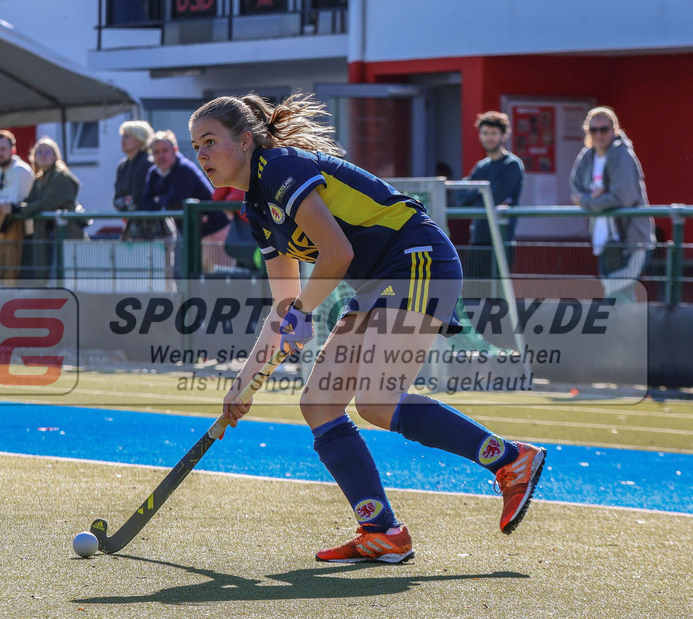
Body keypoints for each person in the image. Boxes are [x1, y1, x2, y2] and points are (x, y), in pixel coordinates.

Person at [189, 92, 546, 563]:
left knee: (377, 400)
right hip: (380, 280)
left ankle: (510, 460)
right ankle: (381, 530)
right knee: (318, 402)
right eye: (196, 147)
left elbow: (337, 254)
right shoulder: (258, 211)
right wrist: (245, 383)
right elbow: (284, 307)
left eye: (210, 142)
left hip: (417, 258)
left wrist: (302, 311)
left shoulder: (279, 170)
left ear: (246, 140)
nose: (202, 156)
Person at [569, 106, 655, 301]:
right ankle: (625, 331)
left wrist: (590, 201)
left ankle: (629, 331)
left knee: (617, 294)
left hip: (632, 241)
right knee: (616, 296)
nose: (599, 135)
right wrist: (597, 197)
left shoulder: (622, 155)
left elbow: (623, 198)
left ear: (614, 129)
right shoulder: (587, 156)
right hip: (604, 241)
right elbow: (576, 189)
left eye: (604, 129)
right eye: (594, 130)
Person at [140, 129, 227, 275]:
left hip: (214, 230)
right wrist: (164, 201)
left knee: (220, 275)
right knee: (197, 277)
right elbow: (146, 202)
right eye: (156, 152)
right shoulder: (154, 173)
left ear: (175, 150)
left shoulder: (184, 169)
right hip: (191, 233)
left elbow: (174, 200)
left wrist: (159, 199)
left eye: (165, 150)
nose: (161, 156)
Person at [456, 111, 525, 279]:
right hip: (478, 237)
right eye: (485, 133)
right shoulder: (481, 166)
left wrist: (479, 194)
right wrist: (482, 195)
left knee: (498, 296)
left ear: (504, 135)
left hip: (502, 238)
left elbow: (494, 197)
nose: (489, 138)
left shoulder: (512, 165)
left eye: (494, 133)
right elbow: (461, 197)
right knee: (476, 292)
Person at [14, 137, 83, 280]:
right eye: (39, 152)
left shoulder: (60, 176)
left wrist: (18, 210)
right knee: (48, 276)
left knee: (64, 275)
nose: (43, 155)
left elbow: (48, 204)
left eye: (47, 152)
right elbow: (30, 201)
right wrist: (15, 208)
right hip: (46, 235)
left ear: (55, 156)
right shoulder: (39, 179)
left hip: (64, 234)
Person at [0, 130, 35, 284]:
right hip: (4, 230)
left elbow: (12, 202)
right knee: (3, 274)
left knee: (20, 278)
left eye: (3, 149)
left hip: (25, 234)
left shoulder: (21, 170)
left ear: (12, 150)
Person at [114, 120, 169, 241]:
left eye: (127, 137)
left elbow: (139, 199)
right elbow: (116, 200)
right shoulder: (123, 166)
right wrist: (127, 201)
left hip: (153, 229)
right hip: (133, 227)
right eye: (122, 136)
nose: (122, 140)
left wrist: (127, 201)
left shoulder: (147, 163)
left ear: (140, 140)